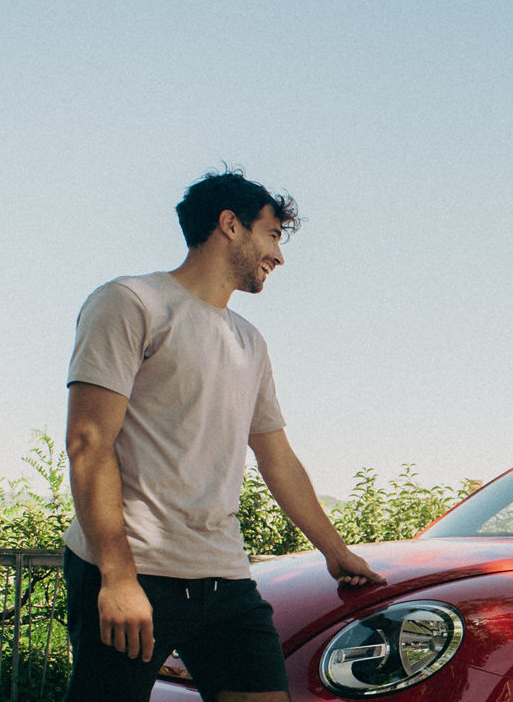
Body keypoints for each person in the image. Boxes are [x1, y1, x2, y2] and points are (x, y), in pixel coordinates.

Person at [60, 169, 383, 702]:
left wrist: (335, 551)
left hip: (225, 578)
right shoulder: (131, 302)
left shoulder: (248, 341)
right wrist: (117, 578)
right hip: (133, 571)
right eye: (273, 234)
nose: (279, 256)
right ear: (230, 225)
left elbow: (277, 457)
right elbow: (89, 443)